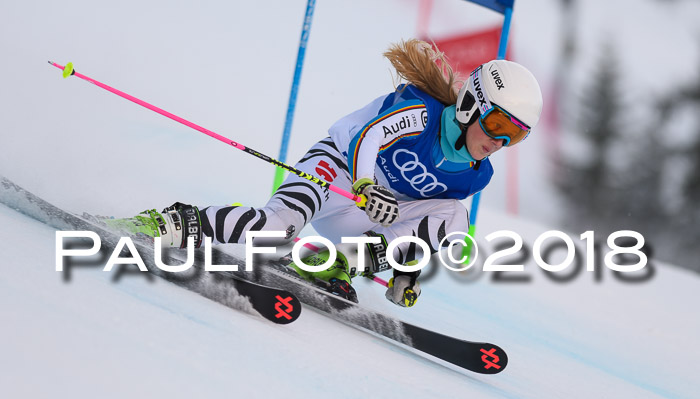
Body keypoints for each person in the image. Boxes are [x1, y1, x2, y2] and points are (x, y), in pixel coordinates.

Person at [114, 39, 543, 307]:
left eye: (515, 136)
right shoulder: (420, 111)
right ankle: (171, 223)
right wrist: (363, 183)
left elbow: (431, 224)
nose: (500, 142)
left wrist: (406, 270)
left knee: (456, 218)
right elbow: (366, 139)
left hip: (375, 213)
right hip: (337, 172)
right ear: (472, 105)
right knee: (276, 228)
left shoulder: (475, 175)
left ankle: (338, 265)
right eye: (498, 125)